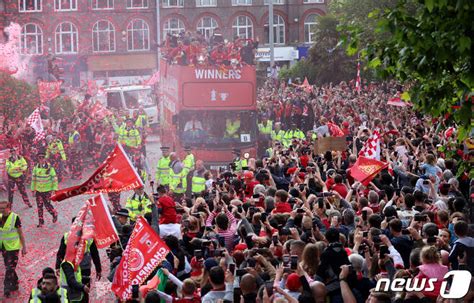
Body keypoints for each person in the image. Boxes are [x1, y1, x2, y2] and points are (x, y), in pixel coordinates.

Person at [55, 218, 102, 300]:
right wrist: (57, 266)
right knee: (78, 289)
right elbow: (60, 253)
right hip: (73, 267)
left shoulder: (88, 237)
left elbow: (95, 254)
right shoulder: (67, 236)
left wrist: (98, 269)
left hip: (82, 269)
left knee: (83, 290)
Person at [0, 196, 27, 298]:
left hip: (14, 247)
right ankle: (15, 283)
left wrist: (24, 247)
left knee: (9, 268)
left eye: (3, 208)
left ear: (8, 207)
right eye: (0, 208)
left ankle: (6, 287)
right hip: (3, 247)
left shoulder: (15, 218)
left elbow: (21, 233)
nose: (1, 210)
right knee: (9, 266)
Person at [31, 152, 58, 228]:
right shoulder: (35, 168)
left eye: (43, 157)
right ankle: (41, 222)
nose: (41, 159)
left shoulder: (50, 168)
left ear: (45, 158)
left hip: (47, 190)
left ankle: (54, 214)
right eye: (39, 158)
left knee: (47, 205)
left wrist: (54, 189)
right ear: (38, 159)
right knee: (39, 206)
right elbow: (33, 179)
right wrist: (33, 189)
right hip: (39, 191)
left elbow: (54, 179)